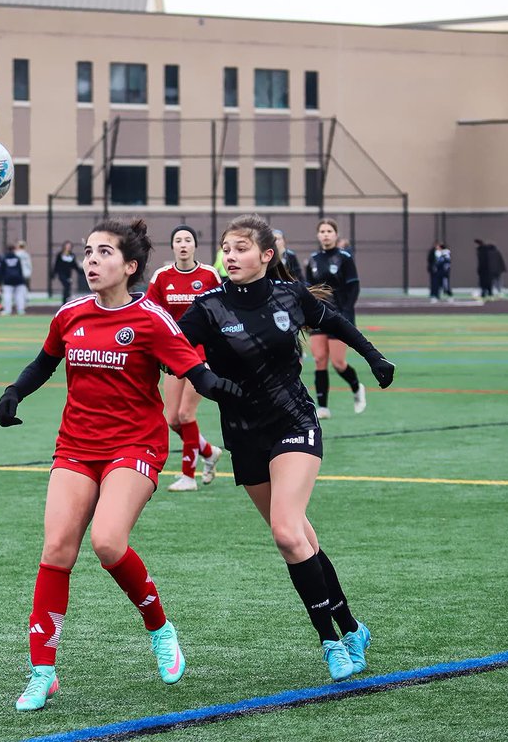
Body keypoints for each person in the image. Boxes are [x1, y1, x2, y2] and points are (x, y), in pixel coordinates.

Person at [0, 217, 242, 711]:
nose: (91, 260)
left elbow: (194, 370)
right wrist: (14, 392)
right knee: (57, 549)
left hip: (136, 444)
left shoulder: (151, 318)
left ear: (130, 266)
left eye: (104, 252)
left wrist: (227, 391)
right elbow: (45, 363)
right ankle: (42, 673)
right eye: (89, 252)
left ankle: (160, 629)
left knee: (107, 542)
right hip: (76, 445)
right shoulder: (70, 314)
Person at [178, 214, 395, 682]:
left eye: (240, 248)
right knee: (299, 537)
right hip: (244, 435)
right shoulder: (208, 307)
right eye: (226, 249)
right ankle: (352, 627)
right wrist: (205, 379)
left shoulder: (289, 295)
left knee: (285, 532)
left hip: (294, 423)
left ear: (266, 255)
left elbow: (336, 323)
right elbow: (167, 348)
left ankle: (329, 642)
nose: (230, 256)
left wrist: (374, 356)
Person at [144, 224, 224, 492]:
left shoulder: (209, 275)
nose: (183, 244)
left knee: (186, 414)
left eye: (187, 240)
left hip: (200, 354)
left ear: (194, 246)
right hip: (172, 354)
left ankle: (188, 477)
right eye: (178, 240)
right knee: (173, 419)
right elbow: (151, 313)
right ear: (172, 246)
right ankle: (209, 451)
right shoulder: (162, 276)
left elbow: (222, 310)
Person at [305, 218, 366, 418]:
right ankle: (323, 407)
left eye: (329, 231)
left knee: (338, 362)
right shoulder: (313, 260)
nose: (325, 234)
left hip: (339, 316)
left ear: (336, 234)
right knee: (319, 359)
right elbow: (309, 290)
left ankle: (357, 387)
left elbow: (354, 287)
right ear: (318, 235)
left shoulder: (344, 258)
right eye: (322, 231)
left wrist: (346, 311)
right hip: (318, 316)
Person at [0, 240, 32, 316]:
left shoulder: (4, 258)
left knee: (7, 295)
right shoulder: (20, 257)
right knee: (20, 295)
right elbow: (21, 269)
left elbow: (1, 270)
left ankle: (8, 310)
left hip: (8, 279)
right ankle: (20, 310)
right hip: (19, 278)